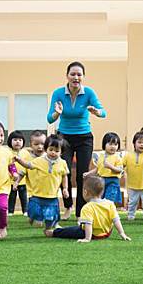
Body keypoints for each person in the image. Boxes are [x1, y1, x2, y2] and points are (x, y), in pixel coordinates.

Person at [47, 61, 106, 219]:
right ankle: (67, 206)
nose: (76, 77)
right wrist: (57, 113)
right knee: (62, 172)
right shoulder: (58, 93)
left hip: (84, 137)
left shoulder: (89, 93)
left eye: (79, 74)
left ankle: (81, 211)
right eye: (73, 74)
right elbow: (49, 118)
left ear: (83, 77)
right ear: (67, 76)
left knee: (83, 175)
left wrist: (96, 111)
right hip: (64, 137)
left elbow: (103, 112)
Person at [46, 175, 131, 243]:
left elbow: (88, 224)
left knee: (70, 231)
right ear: (102, 192)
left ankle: (54, 232)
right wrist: (122, 233)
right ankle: (58, 230)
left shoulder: (87, 207)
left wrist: (87, 238)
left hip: (92, 234)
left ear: (85, 192)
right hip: (106, 233)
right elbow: (116, 220)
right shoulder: (110, 204)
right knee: (77, 227)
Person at [14, 134, 70, 235]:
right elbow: (28, 165)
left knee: (50, 215)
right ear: (46, 149)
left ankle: (48, 229)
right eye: (51, 149)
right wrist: (19, 160)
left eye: (57, 151)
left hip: (52, 196)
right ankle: (32, 217)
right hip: (37, 195)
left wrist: (65, 188)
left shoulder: (63, 163)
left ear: (61, 152)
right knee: (34, 212)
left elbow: (64, 176)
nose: (53, 153)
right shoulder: (39, 161)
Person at [83, 132, 124, 204]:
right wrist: (88, 173)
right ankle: (103, 214)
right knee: (100, 200)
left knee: (109, 200)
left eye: (115, 144)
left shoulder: (117, 157)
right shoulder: (101, 156)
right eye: (110, 144)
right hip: (101, 181)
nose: (113, 146)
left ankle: (110, 214)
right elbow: (98, 168)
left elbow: (119, 170)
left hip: (112, 181)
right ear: (104, 144)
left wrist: (110, 167)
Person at [123, 128, 143, 221]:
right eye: (139, 142)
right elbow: (122, 164)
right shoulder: (128, 155)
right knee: (132, 202)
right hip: (132, 184)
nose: (142, 144)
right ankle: (131, 215)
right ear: (134, 143)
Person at [7, 130, 28, 216]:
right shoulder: (7, 153)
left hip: (23, 181)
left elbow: (28, 165)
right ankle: (10, 211)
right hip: (11, 180)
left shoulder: (26, 153)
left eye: (20, 140)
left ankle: (25, 211)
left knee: (23, 197)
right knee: (12, 197)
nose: (17, 142)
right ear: (10, 141)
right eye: (15, 140)